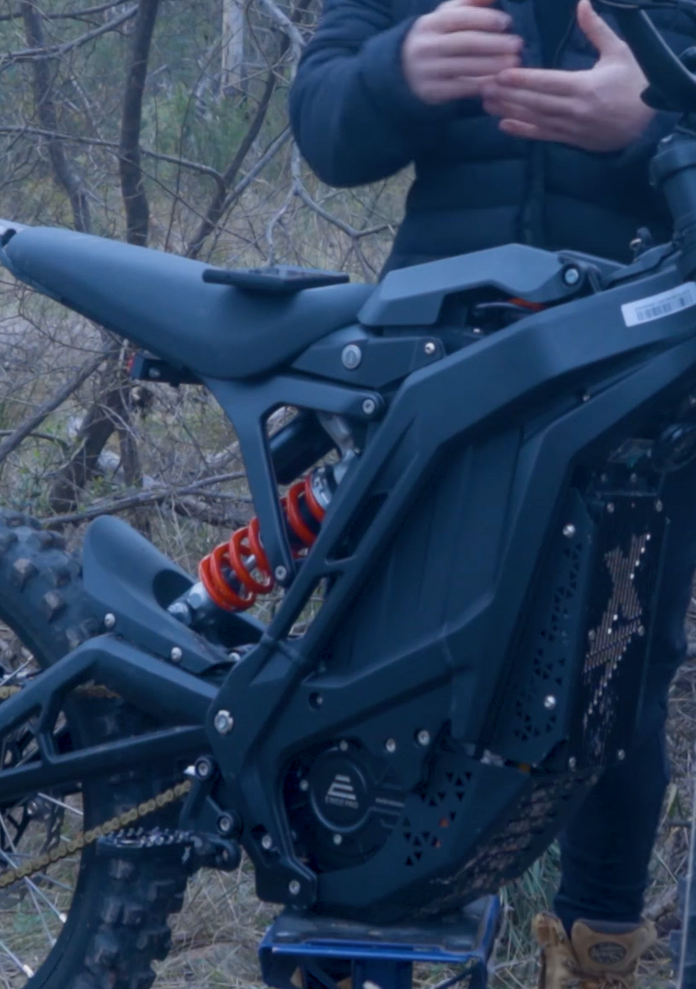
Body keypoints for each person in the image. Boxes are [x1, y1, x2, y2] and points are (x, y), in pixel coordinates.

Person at [289, 0, 696, 985]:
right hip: (438, 377)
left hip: (636, 384)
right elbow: (325, 124)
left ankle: (593, 957)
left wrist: (654, 122)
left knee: (616, 679)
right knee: (369, 671)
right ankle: (347, 950)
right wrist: (397, 72)